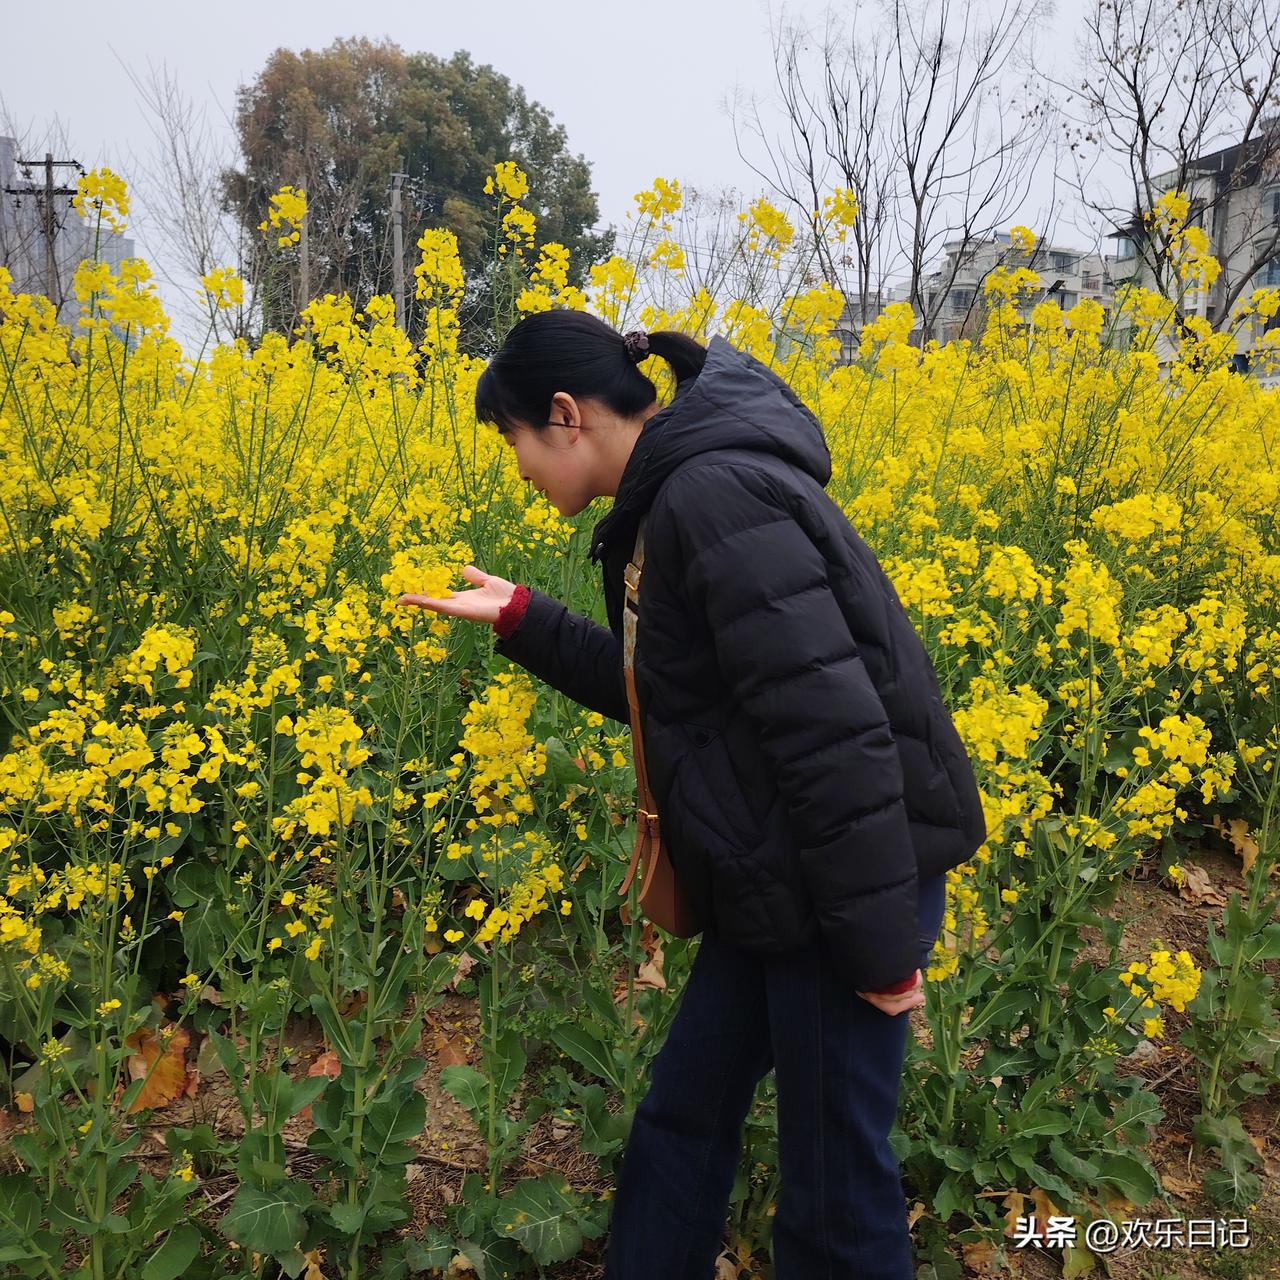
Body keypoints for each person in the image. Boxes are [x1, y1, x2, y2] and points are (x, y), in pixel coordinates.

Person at [396, 311, 988, 1280]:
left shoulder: (710, 497)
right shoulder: (675, 497)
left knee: (833, 1198)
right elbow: (670, 689)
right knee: (684, 1113)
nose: (514, 466)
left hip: (837, 893)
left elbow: (831, 736)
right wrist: (522, 617)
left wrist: (877, 950)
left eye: (511, 439)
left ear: (564, 414)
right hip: (778, 876)